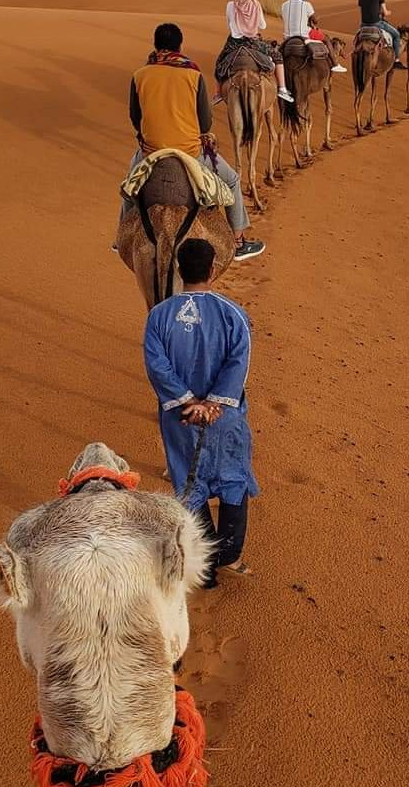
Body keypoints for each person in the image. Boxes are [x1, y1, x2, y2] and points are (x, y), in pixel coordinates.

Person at [144, 238, 259, 588]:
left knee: (189, 487)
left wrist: (186, 400)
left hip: (180, 419)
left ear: (178, 270)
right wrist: (213, 403)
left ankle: (205, 570)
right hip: (224, 420)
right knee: (233, 481)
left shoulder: (158, 315)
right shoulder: (233, 314)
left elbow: (156, 364)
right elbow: (239, 362)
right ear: (212, 269)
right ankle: (231, 558)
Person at [129, 23, 265, 261]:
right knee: (232, 180)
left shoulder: (139, 75)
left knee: (129, 185)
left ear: (155, 45)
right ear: (180, 46)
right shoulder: (193, 74)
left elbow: (135, 117)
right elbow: (205, 123)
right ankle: (239, 241)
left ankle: (124, 238)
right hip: (190, 151)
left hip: (151, 151)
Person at [213, 0, 293, 105]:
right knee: (277, 57)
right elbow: (263, 25)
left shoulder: (230, 5)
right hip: (252, 42)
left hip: (234, 42)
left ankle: (218, 94)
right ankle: (282, 89)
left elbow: (229, 24)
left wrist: (238, 28)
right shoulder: (256, 4)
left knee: (219, 63)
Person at [281, 0, 348, 73]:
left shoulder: (284, 5)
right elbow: (315, 20)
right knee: (326, 39)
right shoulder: (306, 5)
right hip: (304, 34)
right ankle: (335, 64)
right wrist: (313, 21)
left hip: (287, 37)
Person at [358, 0, 407, 70]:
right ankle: (396, 60)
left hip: (363, 25)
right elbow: (384, 12)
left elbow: (363, 10)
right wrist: (388, 12)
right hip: (376, 24)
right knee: (396, 35)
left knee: (357, 38)